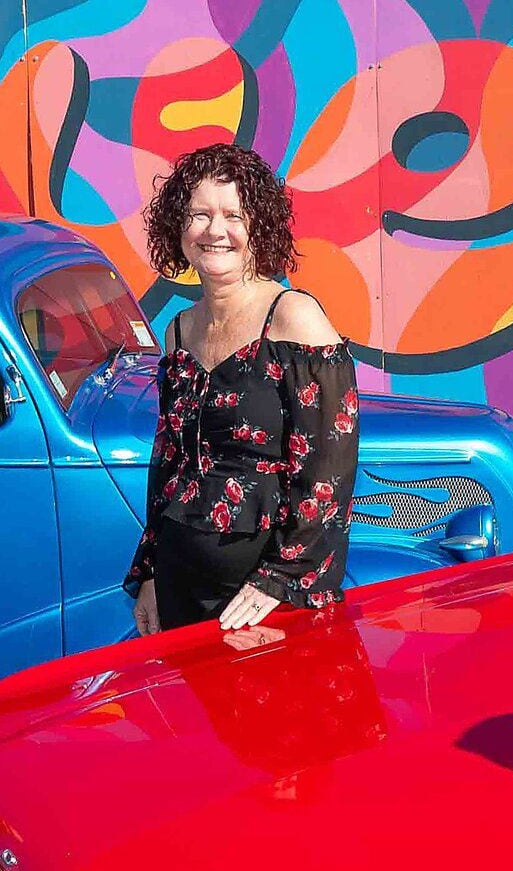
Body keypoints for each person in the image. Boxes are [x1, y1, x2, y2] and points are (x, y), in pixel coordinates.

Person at [121, 143, 358, 638]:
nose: (215, 231)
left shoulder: (294, 319)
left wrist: (280, 580)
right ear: (178, 228)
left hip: (265, 600)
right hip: (180, 587)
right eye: (199, 215)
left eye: (233, 215)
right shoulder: (179, 330)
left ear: (258, 227)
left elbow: (328, 472)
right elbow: (169, 464)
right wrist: (148, 572)